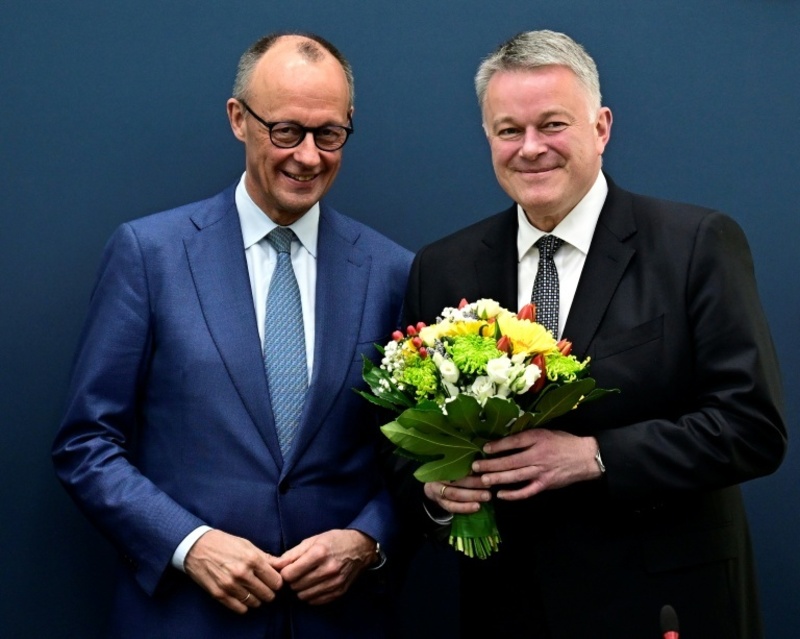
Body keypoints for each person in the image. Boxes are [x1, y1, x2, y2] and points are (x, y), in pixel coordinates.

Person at [401, 30, 786, 638]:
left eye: (552, 125)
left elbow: (753, 429)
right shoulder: (443, 267)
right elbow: (405, 446)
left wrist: (595, 456)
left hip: (661, 607)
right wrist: (437, 495)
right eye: (509, 130)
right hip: (508, 611)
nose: (531, 148)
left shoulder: (694, 245)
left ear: (601, 128)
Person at [52, 32, 412, 639]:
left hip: (339, 622)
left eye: (329, 134)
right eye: (286, 131)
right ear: (238, 118)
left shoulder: (393, 272)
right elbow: (86, 442)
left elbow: (411, 453)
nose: (308, 157)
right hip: (184, 618)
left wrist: (368, 539)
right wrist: (188, 543)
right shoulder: (150, 255)